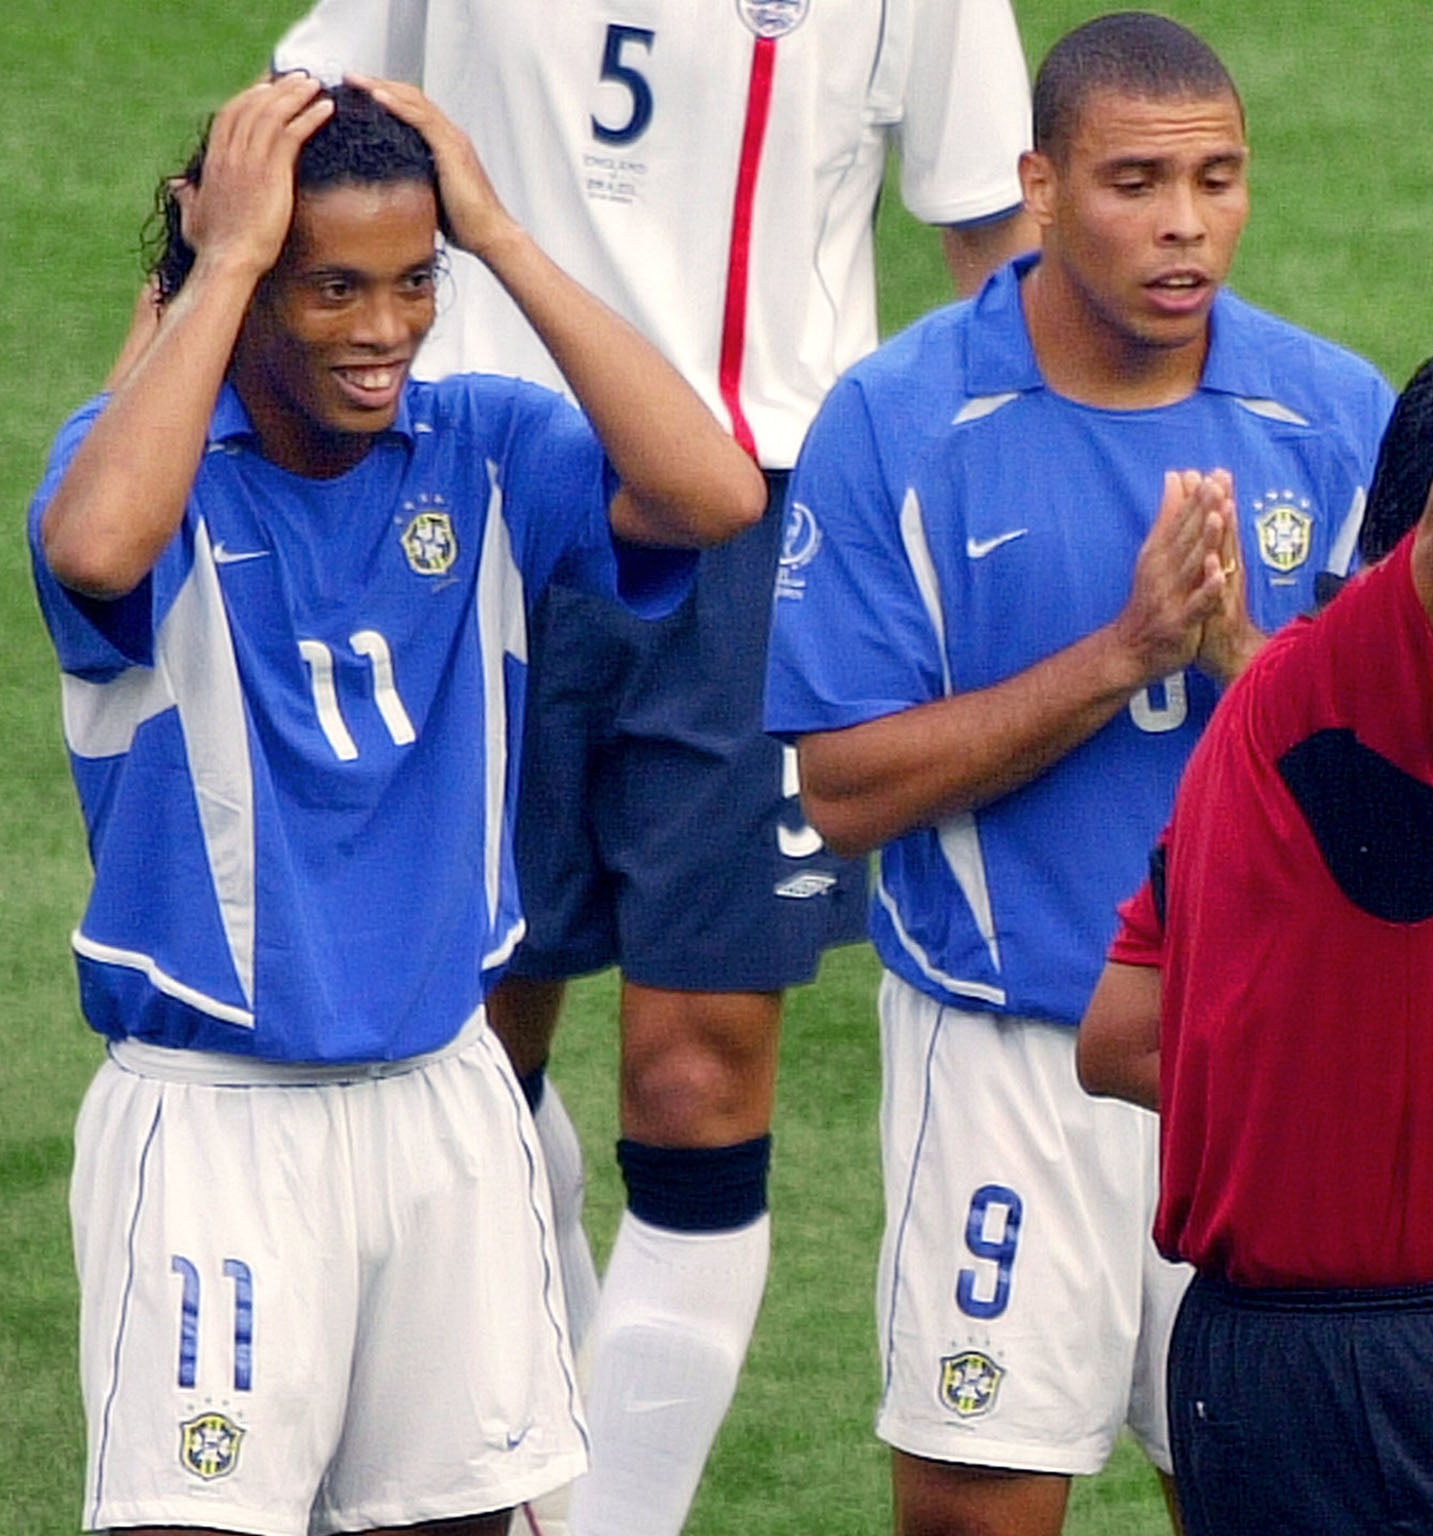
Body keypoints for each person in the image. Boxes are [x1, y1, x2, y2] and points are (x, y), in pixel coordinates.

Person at [268, 7, 1036, 1529]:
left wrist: (1029, 505)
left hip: (768, 519)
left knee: (696, 1076)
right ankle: (502, 1443)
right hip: (478, 489)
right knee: (469, 1044)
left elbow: (987, 229)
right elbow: (299, 106)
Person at [29, 74, 762, 1536]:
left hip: (443, 1110)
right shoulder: (143, 472)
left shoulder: (484, 449)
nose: (383, 331)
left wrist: (499, 233)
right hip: (214, 1127)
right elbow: (101, 545)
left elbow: (714, 493)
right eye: (332, 288)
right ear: (244, 284)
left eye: (413, 282)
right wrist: (219, 262)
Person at [763, 14, 1396, 1532]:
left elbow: (1414, 795)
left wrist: (1246, 663)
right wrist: (1123, 654)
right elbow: (841, 789)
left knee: (1276, 1507)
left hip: (1259, 1062)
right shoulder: (901, 422)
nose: (1186, 224)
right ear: (1038, 187)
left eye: (1218, 177)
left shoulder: (1330, 418)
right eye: (1136, 182)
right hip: (1004, 1061)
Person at [1076, 119, 1433, 1536]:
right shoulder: (1364, 710)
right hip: (1382, 1386)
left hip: (1361, 1361)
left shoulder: (1313, 734)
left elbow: (1122, 1036)